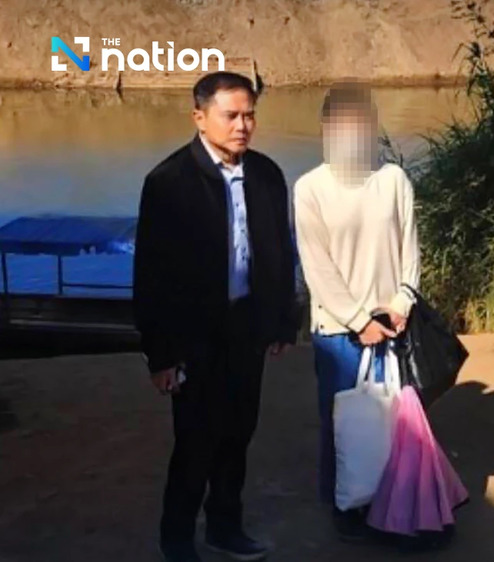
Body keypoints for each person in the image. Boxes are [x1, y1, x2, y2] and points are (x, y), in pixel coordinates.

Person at [134, 71, 299, 562]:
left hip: (246, 327)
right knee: (195, 440)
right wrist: (161, 355)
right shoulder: (168, 182)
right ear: (199, 118)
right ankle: (177, 538)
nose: (242, 125)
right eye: (231, 115)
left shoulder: (266, 175)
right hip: (194, 335)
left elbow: (279, 253)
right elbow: (151, 275)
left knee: (238, 432)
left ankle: (225, 527)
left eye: (249, 115)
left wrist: (282, 319)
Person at [292, 82, 420, 542]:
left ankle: (390, 500)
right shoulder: (310, 188)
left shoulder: (393, 179)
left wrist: (402, 302)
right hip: (338, 331)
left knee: (392, 420)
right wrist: (358, 320)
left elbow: (410, 248)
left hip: (393, 325)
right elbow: (317, 267)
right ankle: (344, 504)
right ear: (327, 129)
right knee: (344, 421)